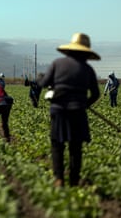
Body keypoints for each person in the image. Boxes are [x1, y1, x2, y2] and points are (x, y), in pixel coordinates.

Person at [38, 32, 100, 187]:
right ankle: (74, 179)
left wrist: (40, 78)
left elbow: (44, 83)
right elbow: (96, 94)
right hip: (78, 111)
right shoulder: (87, 69)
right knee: (75, 146)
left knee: (57, 144)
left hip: (58, 110)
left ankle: (59, 178)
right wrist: (85, 104)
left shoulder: (57, 63)